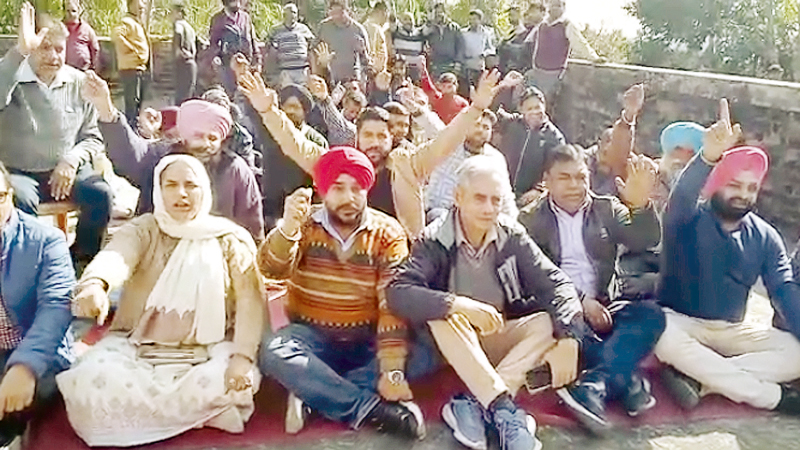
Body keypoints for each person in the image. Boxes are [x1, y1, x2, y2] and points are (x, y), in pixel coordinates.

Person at [58, 155, 266, 447]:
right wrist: (96, 283)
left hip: (210, 348)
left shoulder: (230, 238)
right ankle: (204, 416)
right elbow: (117, 255)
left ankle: (161, 416)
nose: (181, 193)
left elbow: (249, 300)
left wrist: (242, 358)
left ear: (204, 190)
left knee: (232, 381)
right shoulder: (144, 228)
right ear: (159, 189)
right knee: (89, 381)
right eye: (171, 185)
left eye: (190, 185)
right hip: (138, 345)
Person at [387, 155, 591, 450]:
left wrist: (571, 339)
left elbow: (557, 284)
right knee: (442, 314)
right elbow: (398, 291)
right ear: (459, 197)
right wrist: (459, 304)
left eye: (495, 200)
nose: (488, 208)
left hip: (496, 334)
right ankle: (506, 410)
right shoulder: (434, 239)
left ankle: (474, 402)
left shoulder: (512, 236)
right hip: (451, 344)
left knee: (547, 323)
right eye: (479, 199)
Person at [258, 148, 435, 439]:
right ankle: (369, 409)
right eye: (338, 188)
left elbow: (392, 303)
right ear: (323, 191)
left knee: (427, 350)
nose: (349, 198)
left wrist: (392, 371)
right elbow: (272, 271)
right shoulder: (304, 225)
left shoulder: (388, 233)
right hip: (313, 338)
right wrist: (288, 228)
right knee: (274, 350)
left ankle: (314, 394)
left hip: (369, 340)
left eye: (357, 189)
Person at [238, 63, 505, 237]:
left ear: (392, 137)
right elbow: (293, 143)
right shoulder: (338, 162)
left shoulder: (409, 164)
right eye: (368, 135)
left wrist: (476, 108)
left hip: (398, 259)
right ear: (357, 137)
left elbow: (447, 140)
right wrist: (267, 110)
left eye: (381, 135)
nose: (374, 141)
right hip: (345, 257)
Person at [654, 100, 800, 414]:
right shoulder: (686, 217)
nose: (743, 194)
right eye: (734, 184)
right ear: (717, 183)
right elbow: (681, 195)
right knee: (660, 333)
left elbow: (785, 292)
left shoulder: (765, 236)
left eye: (751, 188)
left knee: (796, 352)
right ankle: (773, 398)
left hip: (731, 331)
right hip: (681, 323)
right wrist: (708, 156)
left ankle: (700, 380)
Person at [518, 146, 665, 431]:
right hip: (559, 310)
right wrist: (579, 301)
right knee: (559, 328)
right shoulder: (529, 220)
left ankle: (594, 384)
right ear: (546, 180)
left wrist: (641, 206)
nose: (575, 186)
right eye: (564, 178)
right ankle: (624, 379)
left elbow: (644, 240)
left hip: (606, 304)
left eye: (580, 177)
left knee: (651, 315)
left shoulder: (606, 208)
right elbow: (533, 276)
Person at [81, 70, 264, 241]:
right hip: (160, 249)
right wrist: (106, 108)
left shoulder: (235, 169)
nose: (206, 144)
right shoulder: (163, 157)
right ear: (185, 134)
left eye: (212, 138)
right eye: (199, 135)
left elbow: (251, 227)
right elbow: (129, 156)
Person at [1, 4, 111, 262]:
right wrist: (19, 52)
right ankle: (25, 264)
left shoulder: (78, 82)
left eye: (59, 49)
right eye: (44, 48)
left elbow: (92, 136)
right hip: (20, 172)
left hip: (66, 171)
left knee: (101, 194)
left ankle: (80, 258)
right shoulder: (10, 75)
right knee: (17, 201)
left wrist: (71, 160)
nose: (53, 56)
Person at [0, 161, 75, 447]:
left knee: (17, 397)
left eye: (0, 197)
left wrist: (25, 367)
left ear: (10, 195)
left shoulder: (46, 241)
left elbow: (56, 307)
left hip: (39, 352)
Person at [425, 109, 516, 221]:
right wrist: (418, 110)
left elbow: (505, 196)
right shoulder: (449, 146)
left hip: (478, 218)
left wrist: (512, 224)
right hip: (441, 212)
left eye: (486, 127)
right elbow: (432, 126)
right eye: (477, 125)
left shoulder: (496, 158)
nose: (481, 130)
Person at [261, 83, 328, 224]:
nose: (291, 111)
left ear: (304, 111)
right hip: (271, 206)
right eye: (287, 106)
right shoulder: (269, 132)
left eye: (295, 107)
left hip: (303, 207)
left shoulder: (316, 140)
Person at [494, 86, 565, 199]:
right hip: (500, 190)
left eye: (537, 107)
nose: (534, 112)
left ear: (544, 106)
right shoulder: (511, 123)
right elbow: (491, 110)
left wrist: (538, 190)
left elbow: (558, 170)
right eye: (529, 108)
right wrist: (504, 86)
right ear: (521, 110)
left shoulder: (554, 137)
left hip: (529, 199)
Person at [524, 0, 602, 100]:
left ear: (563, 8)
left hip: (553, 74)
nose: (556, 7)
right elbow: (528, 41)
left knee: (543, 103)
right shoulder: (541, 25)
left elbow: (580, 44)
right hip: (536, 72)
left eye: (559, 5)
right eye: (553, 4)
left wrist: (594, 57)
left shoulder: (566, 25)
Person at [584, 84, 644, 196]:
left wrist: (629, 114)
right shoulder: (581, 160)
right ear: (598, 144)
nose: (608, 148)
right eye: (606, 143)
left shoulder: (631, 167)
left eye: (614, 144)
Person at [209, 0, 261, 96]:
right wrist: (215, 57)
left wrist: (257, 60)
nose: (237, 4)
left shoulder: (245, 17)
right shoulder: (218, 19)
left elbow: (253, 40)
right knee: (231, 93)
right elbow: (213, 43)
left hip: (246, 64)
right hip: (228, 65)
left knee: (247, 94)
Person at [112, 0, 150, 126]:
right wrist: (132, 51)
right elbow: (117, 35)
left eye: (143, 7)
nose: (142, 8)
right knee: (131, 102)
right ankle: (130, 128)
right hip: (130, 68)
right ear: (131, 5)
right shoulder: (127, 22)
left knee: (137, 101)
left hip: (138, 67)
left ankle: (134, 126)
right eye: (139, 6)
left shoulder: (136, 22)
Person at [316, 0, 371, 85]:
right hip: (329, 78)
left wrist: (362, 51)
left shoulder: (358, 30)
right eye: (333, 12)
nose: (336, 16)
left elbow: (367, 60)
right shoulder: (324, 27)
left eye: (340, 12)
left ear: (348, 11)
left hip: (352, 80)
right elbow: (313, 51)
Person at [268, 4, 315, 87]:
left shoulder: (304, 29)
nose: (292, 15)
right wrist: (272, 73)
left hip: (302, 70)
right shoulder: (276, 30)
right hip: (285, 71)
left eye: (294, 12)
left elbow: (311, 49)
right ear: (284, 15)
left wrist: (313, 71)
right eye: (290, 12)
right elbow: (272, 52)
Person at [460, 10, 495, 97]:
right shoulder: (463, 33)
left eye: (474, 19)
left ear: (480, 20)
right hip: (466, 66)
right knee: (466, 92)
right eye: (470, 19)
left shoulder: (486, 33)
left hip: (479, 65)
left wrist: (485, 53)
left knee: (478, 91)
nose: (472, 22)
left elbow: (491, 48)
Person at [423, 3, 463, 78]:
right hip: (435, 66)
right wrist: (430, 22)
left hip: (451, 65)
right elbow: (423, 34)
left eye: (441, 12)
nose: (439, 15)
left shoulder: (454, 28)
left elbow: (460, 47)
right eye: (437, 13)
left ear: (446, 13)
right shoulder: (430, 28)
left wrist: (458, 63)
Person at [171, 1, 197, 104]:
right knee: (188, 95)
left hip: (183, 62)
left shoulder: (179, 24)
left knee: (180, 96)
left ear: (179, 13)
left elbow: (178, 33)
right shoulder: (190, 27)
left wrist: (177, 49)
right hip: (192, 63)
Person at [63, 0, 99, 72]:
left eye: (73, 11)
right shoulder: (60, 28)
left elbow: (95, 49)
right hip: (65, 70)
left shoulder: (87, 29)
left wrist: (93, 68)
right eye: (68, 11)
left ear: (79, 11)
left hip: (83, 70)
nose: (70, 14)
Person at [391, 13, 426, 81]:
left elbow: (428, 28)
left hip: (415, 70)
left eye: (410, 19)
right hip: (401, 69)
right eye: (405, 19)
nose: (408, 21)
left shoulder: (420, 33)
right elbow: (392, 22)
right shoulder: (397, 31)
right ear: (401, 21)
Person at [364, 1, 390, 73]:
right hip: (375, 72)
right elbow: (376, 52)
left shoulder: (371, 27)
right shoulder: (374, 29)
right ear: (380, 12)